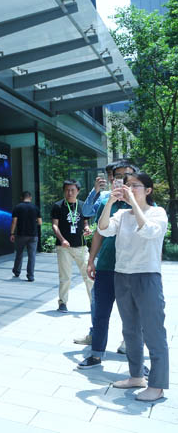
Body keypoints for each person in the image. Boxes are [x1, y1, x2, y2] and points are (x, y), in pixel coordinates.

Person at [98, 172, 168, 402]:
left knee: (153, 331)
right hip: (122, 275)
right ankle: (136, 376)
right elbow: (103, 229)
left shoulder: (158, 212)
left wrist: (134, 204)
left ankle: (157, 385)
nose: (129, 188)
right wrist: (110, 201)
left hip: (147, 276)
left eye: (135, 186)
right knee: (130, 330)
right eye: (126, 185)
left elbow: (148, 231)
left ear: (148, 190)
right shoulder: (121, 214)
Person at [74, 161, 137, 355]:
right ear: (112, 179)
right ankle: (96, 348)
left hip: (132, 267)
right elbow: (99, 233)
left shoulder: (143, 202)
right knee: (100, 308)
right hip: (107, 264)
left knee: (131, 309)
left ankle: (130, 342)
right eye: (118, 176)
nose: (122, 180)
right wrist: (91, 260)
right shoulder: (105, 201)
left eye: (127, 176)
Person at [51, 179, 93, 313]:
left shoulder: (83, 205)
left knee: (89, 275)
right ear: (64, 191)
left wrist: (87, 228)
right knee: (65, 277)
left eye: (72, 190)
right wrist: (62, 240)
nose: (69, 193)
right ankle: (63, 303)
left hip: (81, 246)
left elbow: (85, 222)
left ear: (78, 191)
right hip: (64, 247)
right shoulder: (58, 206)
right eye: (67, 190)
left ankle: (94, 303)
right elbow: (54, 226)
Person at [10, 191, 42, 281]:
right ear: (30, 198)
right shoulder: (35, 208)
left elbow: (14, 222)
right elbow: (40, 222)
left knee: (19, 254)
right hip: (33, 236)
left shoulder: (17, 207)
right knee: (32, 256)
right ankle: (30, 276)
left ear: (21, 198)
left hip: (21, 235)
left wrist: (12, 233)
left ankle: (17, 271)